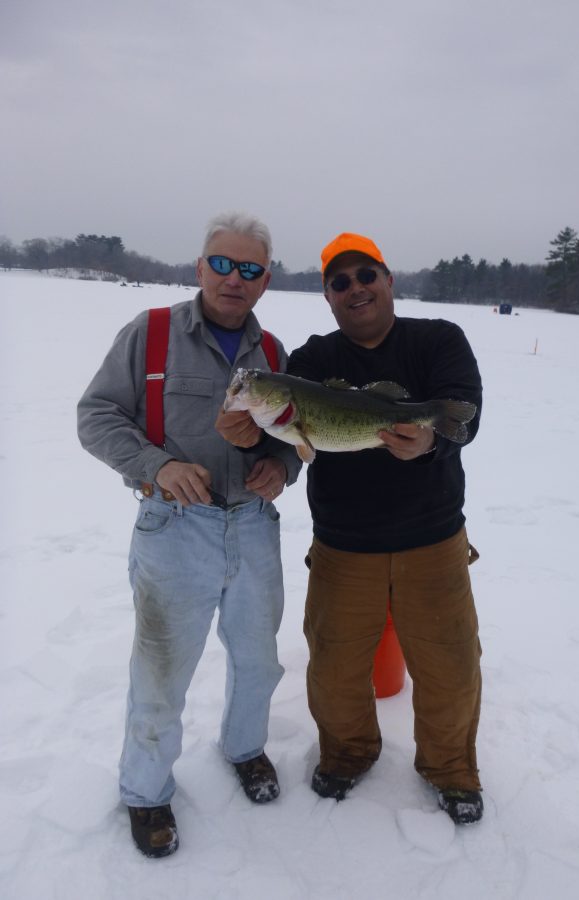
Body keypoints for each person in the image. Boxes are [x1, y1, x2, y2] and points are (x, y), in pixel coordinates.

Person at [77, 212, 301, 858]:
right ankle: (145, 793)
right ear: (201, 267)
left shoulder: (275, 355)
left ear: (265, 280)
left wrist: (279, 467)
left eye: (250, 269)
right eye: (223, 264)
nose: (235, 279)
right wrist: (158, 466)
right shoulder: (149, 336)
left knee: (259, 661)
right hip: (174, 530)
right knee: (161, 672)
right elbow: (95, 416)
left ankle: (245, 749)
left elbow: (293, 437)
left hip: (254, 528)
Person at [290, 232, 484, 824]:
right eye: (339, 282)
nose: (356, 289)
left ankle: (451, 770)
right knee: (334, 666)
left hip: (434, 540)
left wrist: (429, 441)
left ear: (388, 279)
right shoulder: (312, 361)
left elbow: (464, 416)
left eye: (365, 275)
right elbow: (288, 439)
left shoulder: (439, 339)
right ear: (327, 296)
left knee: (450, 665)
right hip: (344, 546)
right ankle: (347, 754)